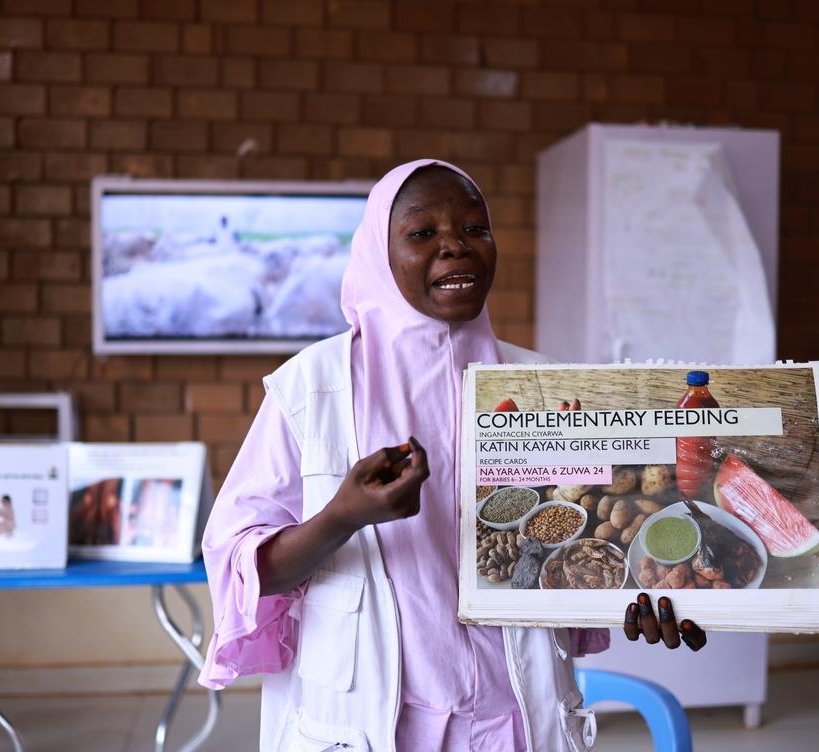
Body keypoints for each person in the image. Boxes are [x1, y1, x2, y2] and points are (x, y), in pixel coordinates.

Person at [199, 159, 698, 752]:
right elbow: (244, 569)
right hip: (371, 725)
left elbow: (586, 538)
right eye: (421, 233)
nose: (455, 248)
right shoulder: (312, 388)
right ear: (377, 254)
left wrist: (643, 597)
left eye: (473, 229)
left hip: (518, 717)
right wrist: (343, 516)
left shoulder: (541, 384)